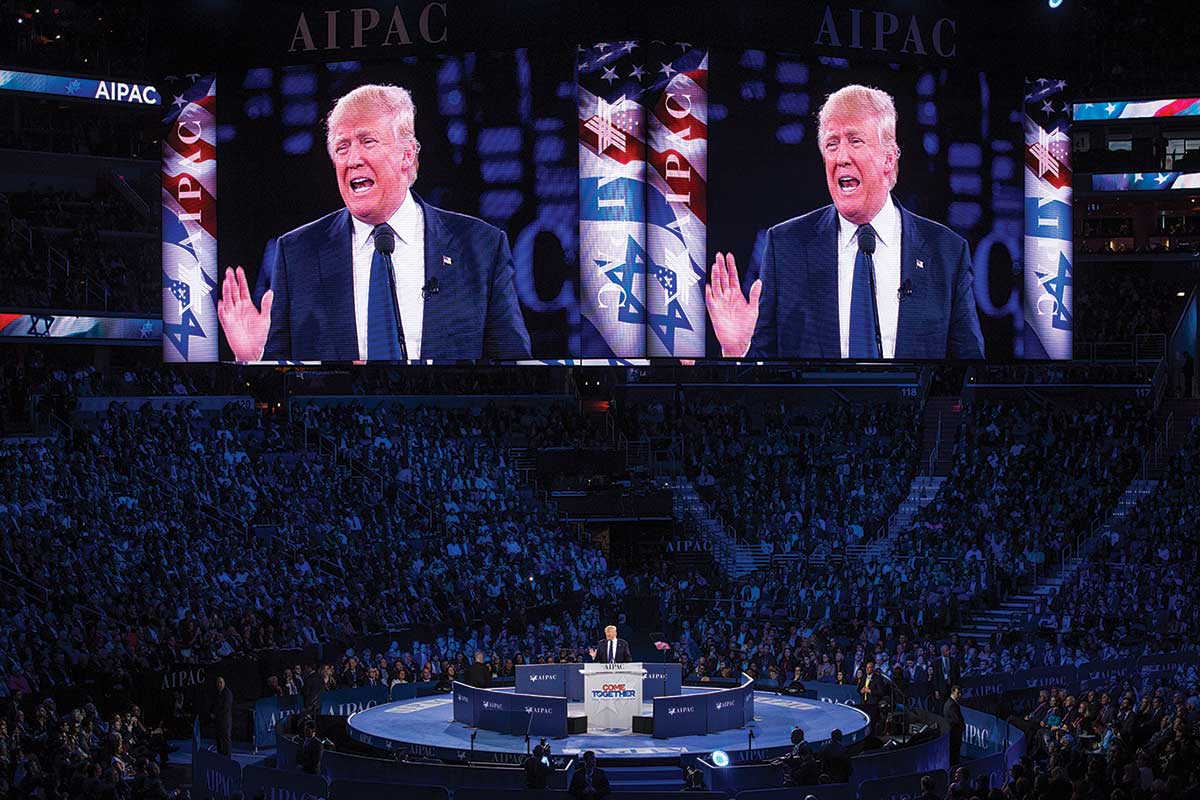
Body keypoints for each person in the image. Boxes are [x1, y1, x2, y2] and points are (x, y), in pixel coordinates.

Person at [218, 83, 531, 362]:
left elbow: (514, 370)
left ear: (407, 155)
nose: (353, 159)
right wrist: (256, 360)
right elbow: (285, 388)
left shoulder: (480, 247)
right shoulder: (297, 253)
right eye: (342, 147)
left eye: (367, 142)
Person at [706, 84, 985, 360]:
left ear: (889, 158)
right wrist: (739, 350)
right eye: (831, 144)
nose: (841, 158)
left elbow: (968, 373)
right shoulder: (786, 246)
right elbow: (766, 382)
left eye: (855, 141)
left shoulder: (946, 252)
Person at [210, 676, 234, 756]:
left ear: (224, 683)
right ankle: (220, 755)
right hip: (218, 721)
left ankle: (227, 756)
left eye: (221, 682)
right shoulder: (217, 693)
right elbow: (214, 705)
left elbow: (226, 708)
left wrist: (215, 714)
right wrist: (212, 713)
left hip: (225, 721)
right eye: (218, 682)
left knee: (226, 738)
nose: (219, 684)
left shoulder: (227, 693)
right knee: (218, 738)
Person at [944, 685, 966, 765]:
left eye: (960, 693)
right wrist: (962, 726)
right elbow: (957, 720)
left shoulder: (950, 702)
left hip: (953, 732)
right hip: (954, 732)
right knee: (954, 752)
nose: (960, 695)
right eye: (958, 693)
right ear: (953, 692)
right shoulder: (952, 705)